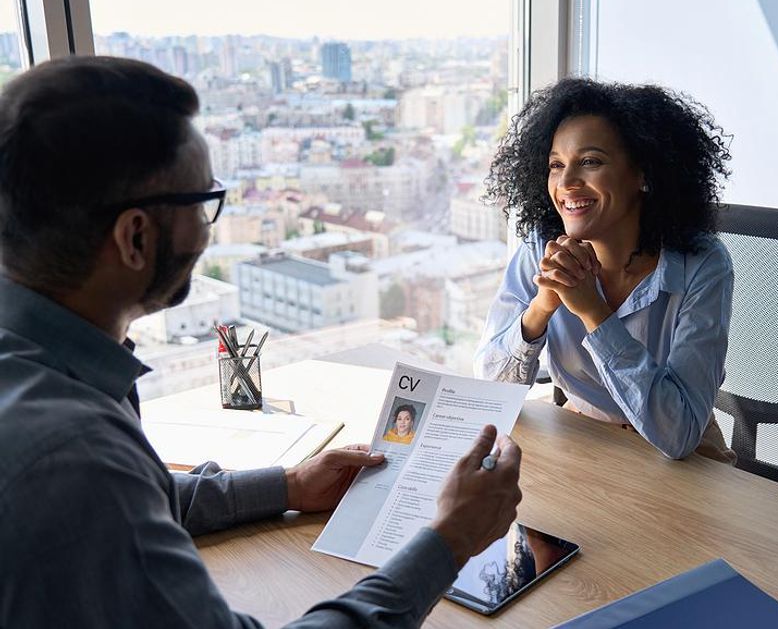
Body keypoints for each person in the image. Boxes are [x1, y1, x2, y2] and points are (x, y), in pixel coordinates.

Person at [0, 56, 523, 628]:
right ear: (135, 237)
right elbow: (100, 494)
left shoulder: (37, 372)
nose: (208, 231)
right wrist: (450, 540)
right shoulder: (72, 456)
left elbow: (129, 504)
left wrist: (289, 485)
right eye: (203, 204)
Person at [476, 78, 736, 464]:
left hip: (684, 459)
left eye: (590, 162)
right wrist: (541, 308)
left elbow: (679, 433)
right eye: (556, 165)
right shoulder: (541, 247)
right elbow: (489, 390)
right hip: (583, 440)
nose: (565, 183)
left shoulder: (701, 265)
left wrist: (593, 312)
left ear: (643, 174)